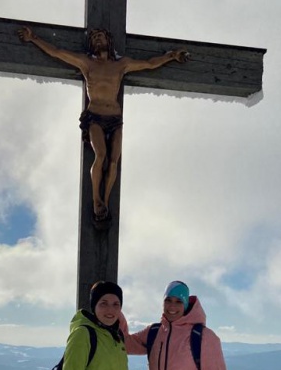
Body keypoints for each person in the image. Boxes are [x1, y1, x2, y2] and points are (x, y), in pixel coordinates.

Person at [18, 26, 188, 223]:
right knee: (101, 155)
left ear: (108, 41)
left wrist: (172, 56)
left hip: (115, 119)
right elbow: (57, 52)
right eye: (95, 38)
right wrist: (34, 38)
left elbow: (149, 64)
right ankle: (96, 199)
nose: (98, 41)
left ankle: (106, 200)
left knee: (114, 161)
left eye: (101, 37)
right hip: (95, 117)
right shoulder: (87, 63)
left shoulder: (121, 65)